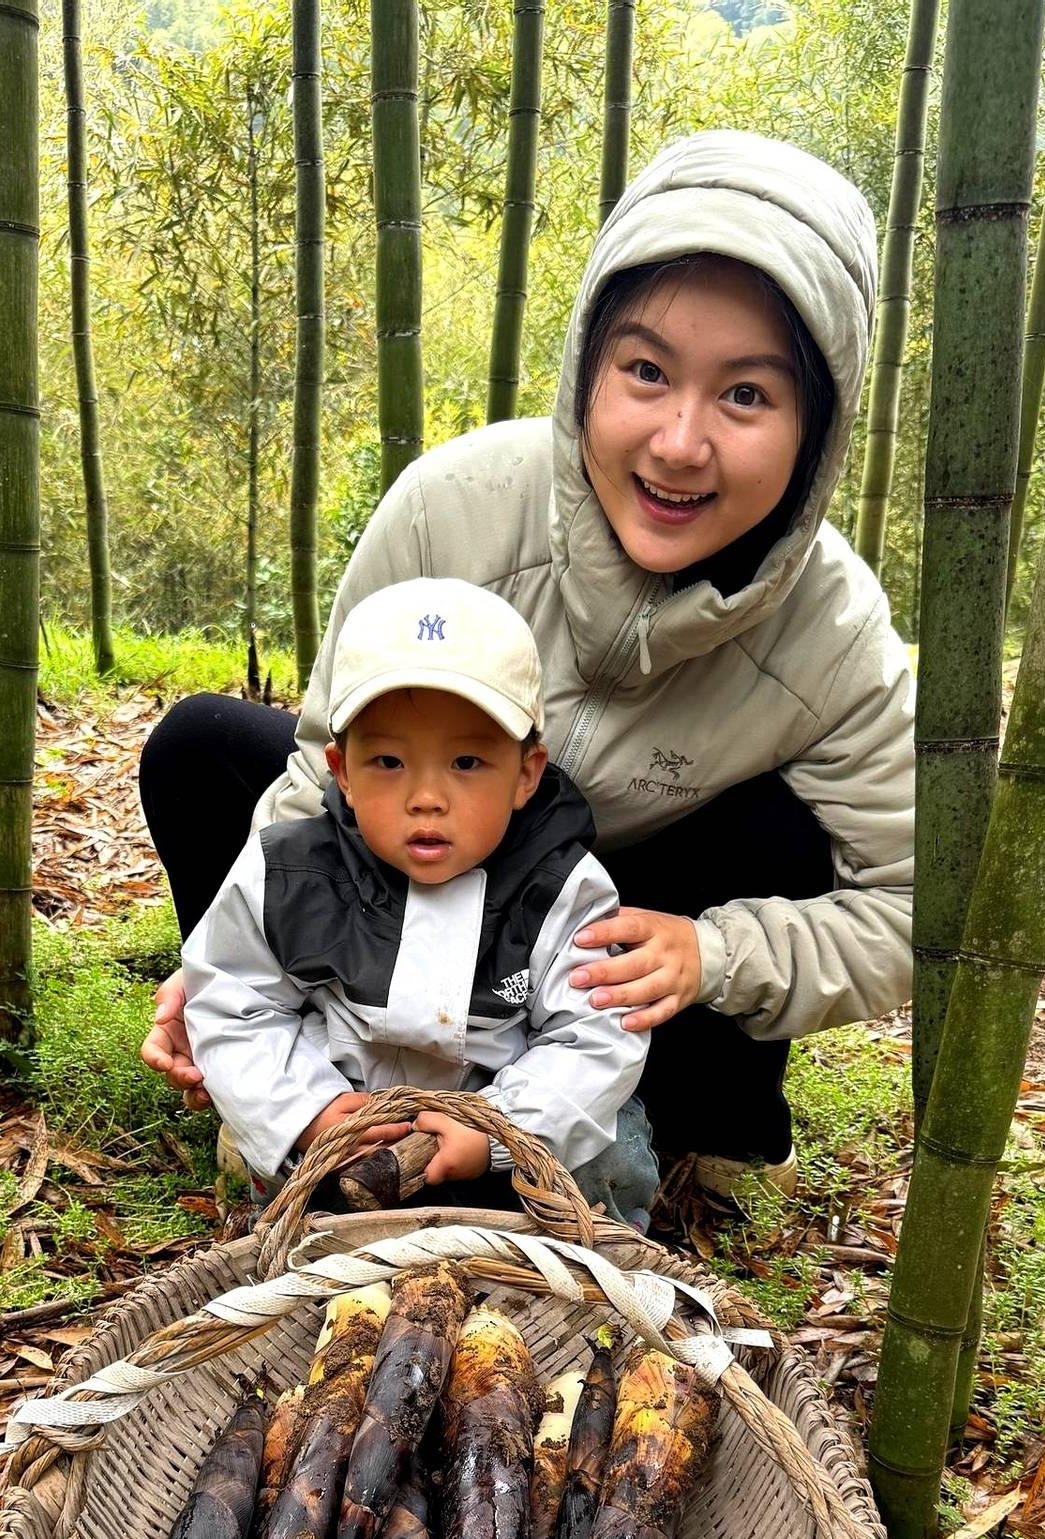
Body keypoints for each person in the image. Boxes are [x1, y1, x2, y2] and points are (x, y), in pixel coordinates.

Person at [141, 129, 913, 1195]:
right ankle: (298, 1072)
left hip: (615, 923)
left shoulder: (837, 637)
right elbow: (326, 766)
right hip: (412, 849)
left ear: (817, 430)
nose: (680, 443)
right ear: (588, 367)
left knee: (781, 833)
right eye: (646, 371)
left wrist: (716, 955)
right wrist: (220, 966)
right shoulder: (453, 507)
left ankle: (695, 1126)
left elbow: (910, 908)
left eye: (747, 395)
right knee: (203, 748)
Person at [181, 576, 652, 1216]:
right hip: (353, 1112)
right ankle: (303, 1217)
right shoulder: (289, 873)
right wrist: (305, 1110)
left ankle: (589, 1263)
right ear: (341, 771)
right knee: (283, 1145)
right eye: (389, 763)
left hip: (502, 1112)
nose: (425, 797)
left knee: (613, 1149)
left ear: (526, 774)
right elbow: (236, 1003)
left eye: (466, 763)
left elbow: (594, 1036)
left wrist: (501, 1130)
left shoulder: (563, 889)